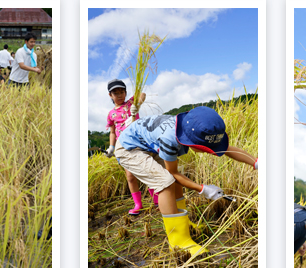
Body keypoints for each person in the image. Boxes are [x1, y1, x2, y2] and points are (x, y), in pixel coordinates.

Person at [114, 106, 258, 255]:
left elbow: (227, 149)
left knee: (172, 179)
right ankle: (178, 240)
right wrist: (203, 189)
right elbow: (173, 174)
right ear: (191, 141)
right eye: (205, 148)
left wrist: (256, 162)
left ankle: (184, 224)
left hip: (147, 142)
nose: (207, 152)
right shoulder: (170, 139)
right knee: (165, 182)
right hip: (129, 148)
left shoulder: (190, 127)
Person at [104, 79, 156, 215]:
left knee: (146, 169)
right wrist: (111, 146)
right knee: (130, 176)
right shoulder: (111, 114)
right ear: (110, 95)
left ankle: (156, 199)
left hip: (138, 141)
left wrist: (137, 104)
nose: (120, 95)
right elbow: (112, 131)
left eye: (122, 92)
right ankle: (138, 204)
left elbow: (142, 94)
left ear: (126, 93)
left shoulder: (130, 104)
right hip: (123, 146)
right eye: (116, 93)